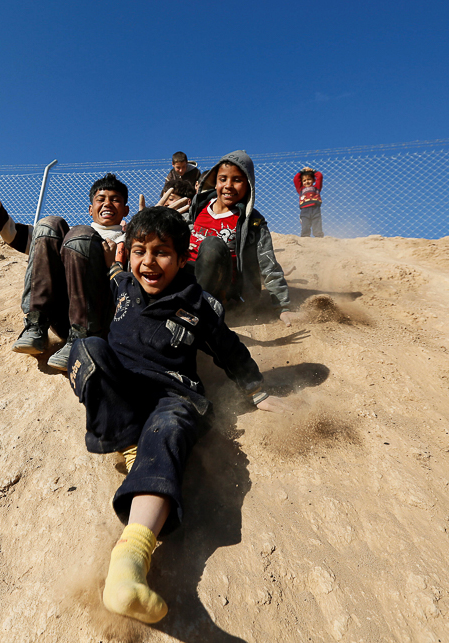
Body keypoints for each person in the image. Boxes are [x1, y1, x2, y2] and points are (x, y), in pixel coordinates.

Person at [67, 206, 286, 624]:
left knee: (169, 428)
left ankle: (129, 563)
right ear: (128, 256)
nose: (148, 261)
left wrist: (256, 390)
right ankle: (130, 444)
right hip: (122, 395)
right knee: (87, 350)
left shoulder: (197, 303)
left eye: (161, 251)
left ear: (183, 255)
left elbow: (229, 348)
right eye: (139, 251)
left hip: (174, 395)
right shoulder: (121, 286)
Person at [0, 148, 129, 371]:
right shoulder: (71, 235)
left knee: (81, 237)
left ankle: (82, 340)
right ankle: (35, 324)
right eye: (101, 199)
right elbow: (14, 235)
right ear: (91, 209)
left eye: (115, 200)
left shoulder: (131, 240)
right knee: (49, 224)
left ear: (126, 209)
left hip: (104, 320)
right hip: (64, 319)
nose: (107, 204)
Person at [186, 150, 292, 325]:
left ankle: (196, 313)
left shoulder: (252, 222)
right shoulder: (200, 207)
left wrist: (283, 307)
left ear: (249, 184)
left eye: (237, 180)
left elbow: (268, 264)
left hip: (222, 290)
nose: (228, 185)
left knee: (212, 245)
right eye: (223, 179)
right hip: (189, 278)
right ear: (215, 181)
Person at [293, 166, 324, 237]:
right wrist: (302, 171)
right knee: (305, 225)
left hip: (315, 209)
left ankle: (319, 237)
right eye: (304, 180)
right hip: (305, 210)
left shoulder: (316, 187)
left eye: (309, 179)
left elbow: (319, 176)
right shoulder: (300, 189)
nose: (307, 181)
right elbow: (295, 179)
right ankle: (305, 237)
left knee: (317, 223)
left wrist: (312, 170)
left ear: (313, 180)